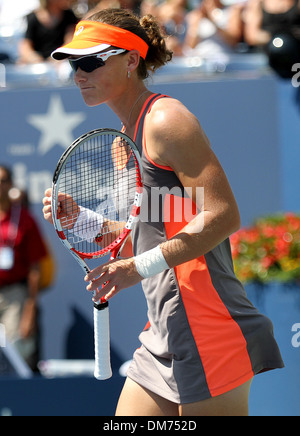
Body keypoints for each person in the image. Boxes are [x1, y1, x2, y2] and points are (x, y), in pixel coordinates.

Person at [42, 8, 284, 416]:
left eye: (90, 61)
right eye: (73, 64)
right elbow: (139, 238)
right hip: (162, 332)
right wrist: (79, 220)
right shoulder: (124, 141)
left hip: (209, 326)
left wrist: (138, 269)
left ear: (131, 60)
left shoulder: (166, 120)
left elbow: (224, 216)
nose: (78, 74)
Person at [0, 166, 48, 371]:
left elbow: (35, 269)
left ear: (10, 185)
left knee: (16, 353)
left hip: (15, 297)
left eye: (2, 180)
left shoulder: (24, 219)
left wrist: (30, 310)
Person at [244, 0, 300, 77]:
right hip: (266, 58)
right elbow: (252, 36)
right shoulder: (257, 3)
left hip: (295, 57)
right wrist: (277, 39)